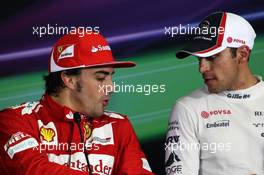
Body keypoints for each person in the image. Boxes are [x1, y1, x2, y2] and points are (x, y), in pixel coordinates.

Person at [0, 32, 154, 175]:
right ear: (69, 79)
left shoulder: (118, 125)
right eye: (101, 78)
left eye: (111, 77)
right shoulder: (14, 121)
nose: (111, 87)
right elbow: (34, 170)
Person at [165, 12, 264, 175]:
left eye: (212, 57)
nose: (202, 68)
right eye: (199, 59)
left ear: (242, 54)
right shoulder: (187, 108)